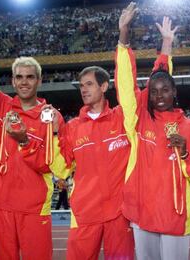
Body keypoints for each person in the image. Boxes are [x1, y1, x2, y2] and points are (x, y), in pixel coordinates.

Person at [0, 3, 64, 260]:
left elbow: (50, 163)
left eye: (30, 77)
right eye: (19, 77)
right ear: (13, 81)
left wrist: (24, 140)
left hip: (33, 206)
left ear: (39, 81)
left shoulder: (51, 116)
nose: (24, 82)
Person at [115, 3, 190, 259]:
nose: (159, 95)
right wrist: (123, 38)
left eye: (165, 90)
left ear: (175, 92)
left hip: (174, 217)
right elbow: (126, 84)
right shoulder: (140, 120)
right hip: (141, 212)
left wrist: (186, 155)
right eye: (153, 91)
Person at [53, 66, 135, 260]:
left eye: (89, 84)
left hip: (120, 213)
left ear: (104, 86)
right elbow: (60, 169)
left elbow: (132, 90)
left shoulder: (123, 119)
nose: (84, 90)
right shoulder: (72, 127)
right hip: (85, 212)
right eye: (81, 86)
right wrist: (55, 134)